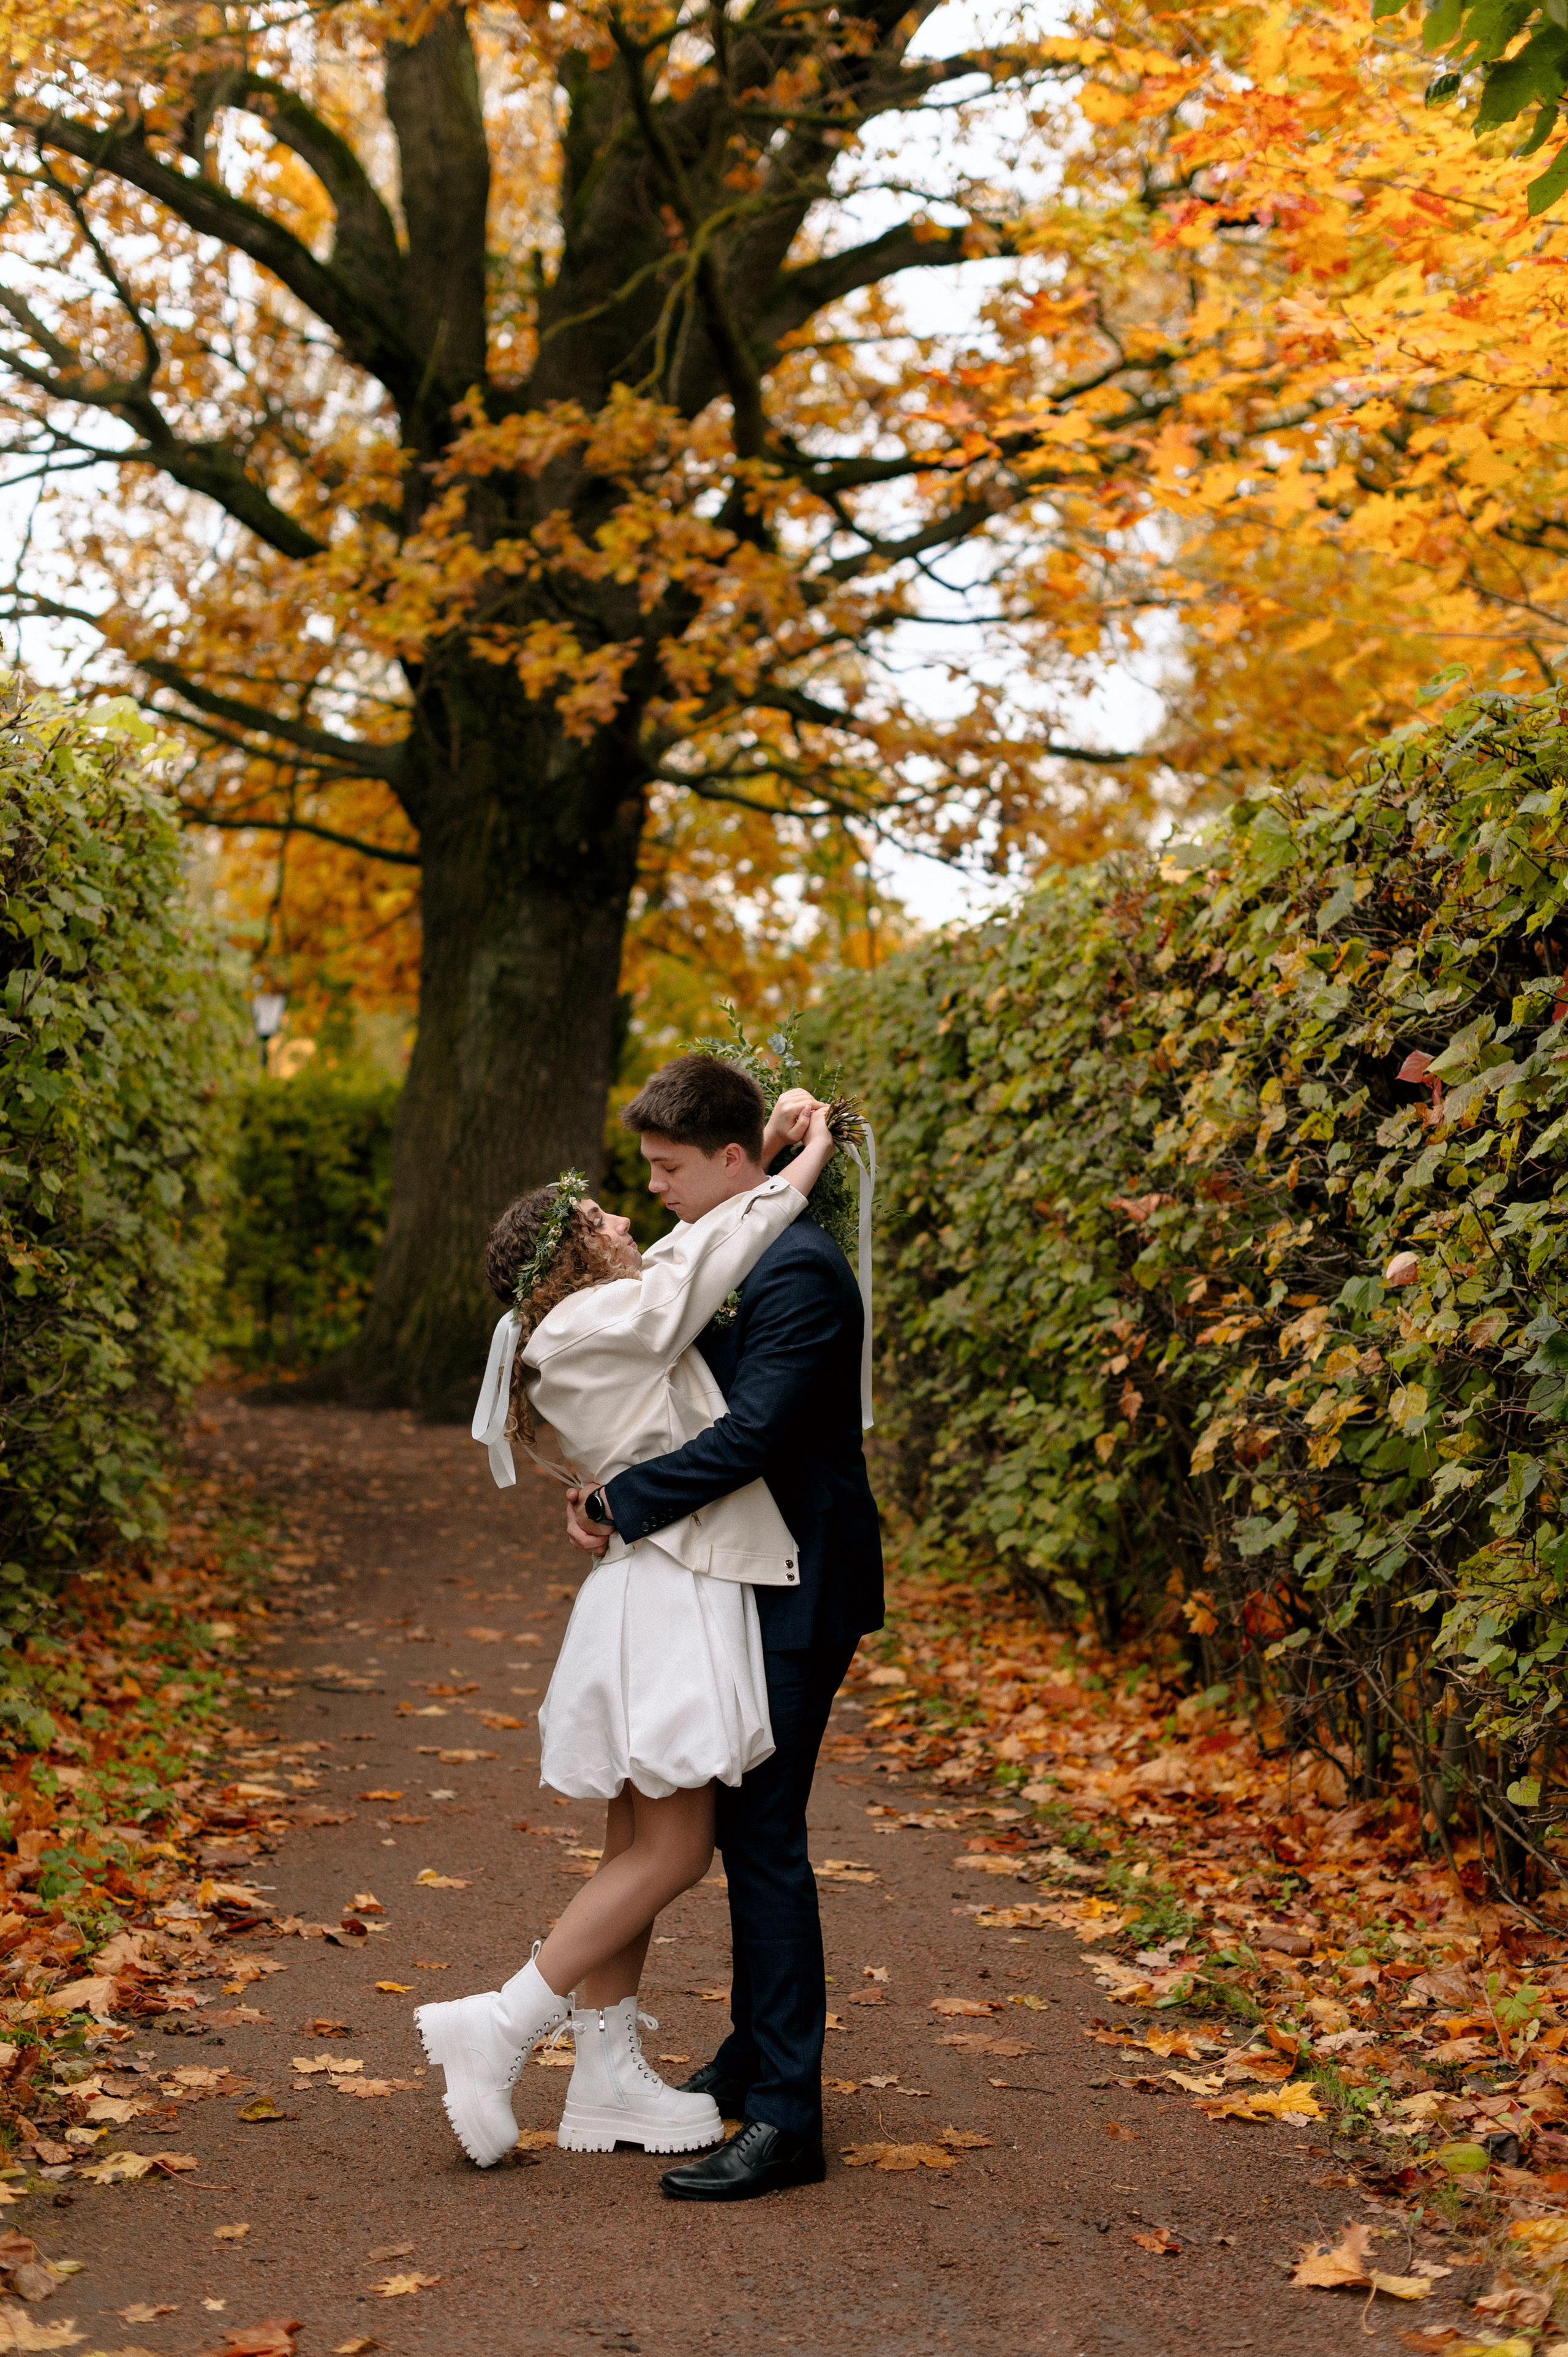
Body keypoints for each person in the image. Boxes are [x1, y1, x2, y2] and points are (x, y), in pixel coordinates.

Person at [417, 1082, 836, 2171]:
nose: (632, 1216)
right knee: (679, 1847)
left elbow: (684, 1243)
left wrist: (768, 1147)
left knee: (634, 1843)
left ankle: (606, 2079)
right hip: (673, 1587)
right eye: (605, 1216)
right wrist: (801, 1162)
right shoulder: (598, 1315)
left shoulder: (581, 1311)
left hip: (655, 1576)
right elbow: (696, 1258)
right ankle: (503, 2022)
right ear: (567, 1263)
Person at [565, 1053, 884, 2202]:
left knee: (764, 1841)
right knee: (753, 1829)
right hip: (754, 1580)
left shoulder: (797, 1276)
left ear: (736, 1161)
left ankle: (789, 2120)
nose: (652, 1187)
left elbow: (749, 1439)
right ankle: (755, 2065)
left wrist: (621, 1503)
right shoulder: (739, 1244)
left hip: (804, 1589)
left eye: (669, 1168)